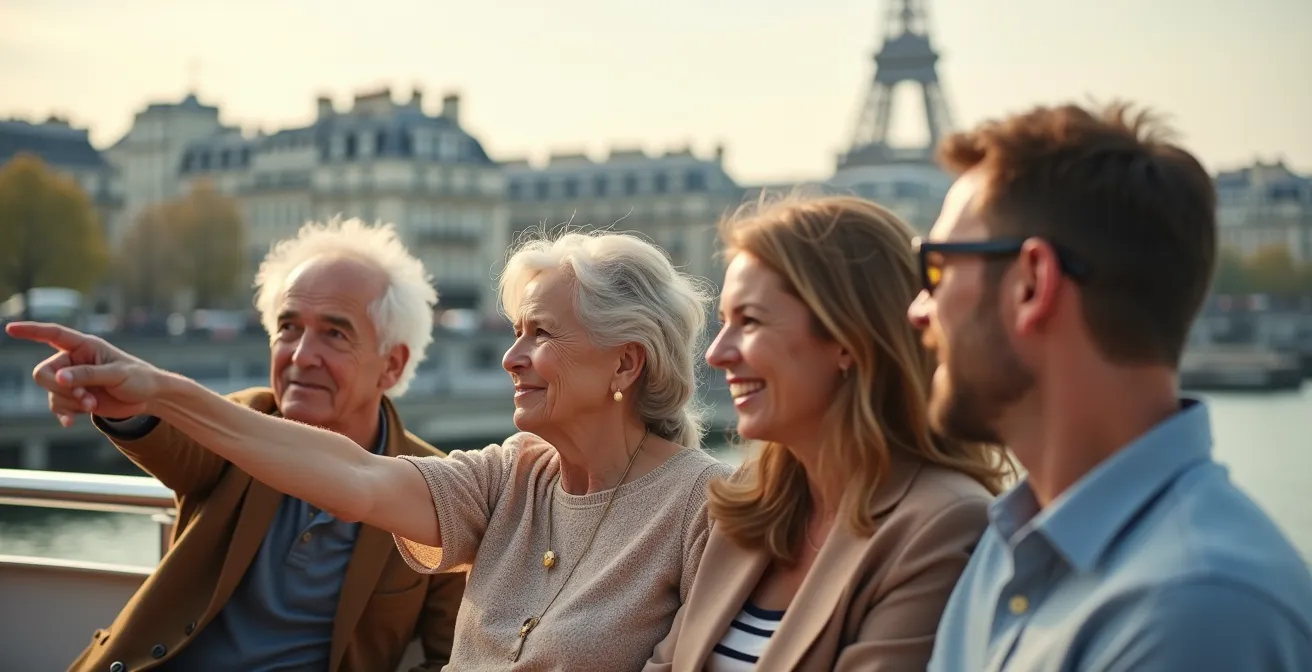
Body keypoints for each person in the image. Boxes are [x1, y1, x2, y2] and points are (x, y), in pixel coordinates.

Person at [12, 228, 734, 672]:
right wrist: (154, 390)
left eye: (539, 334)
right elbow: (354, 477)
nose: (510, 357)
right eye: (514, 331)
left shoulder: (700, 508)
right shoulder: (510, 472)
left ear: (625, 364)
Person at [911, 102, 1312, 671]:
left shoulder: (1195, 612)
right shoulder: (1008, 547)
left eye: (936, 268)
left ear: (1032, 284)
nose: (918, 309)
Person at [28, 218, 467, 672]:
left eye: (334, 334)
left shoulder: (434, 492)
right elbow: (173, 435)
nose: (300, 355)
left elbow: (456, 657)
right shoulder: (238, 425)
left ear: (392, 365)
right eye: (288, 328)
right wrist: (122, 402)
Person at [645, 194, 1015, 671]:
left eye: (749, 321)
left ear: (846, 340)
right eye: (723, 323)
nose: (716, 353)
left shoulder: (943, 525)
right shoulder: (748, 507)